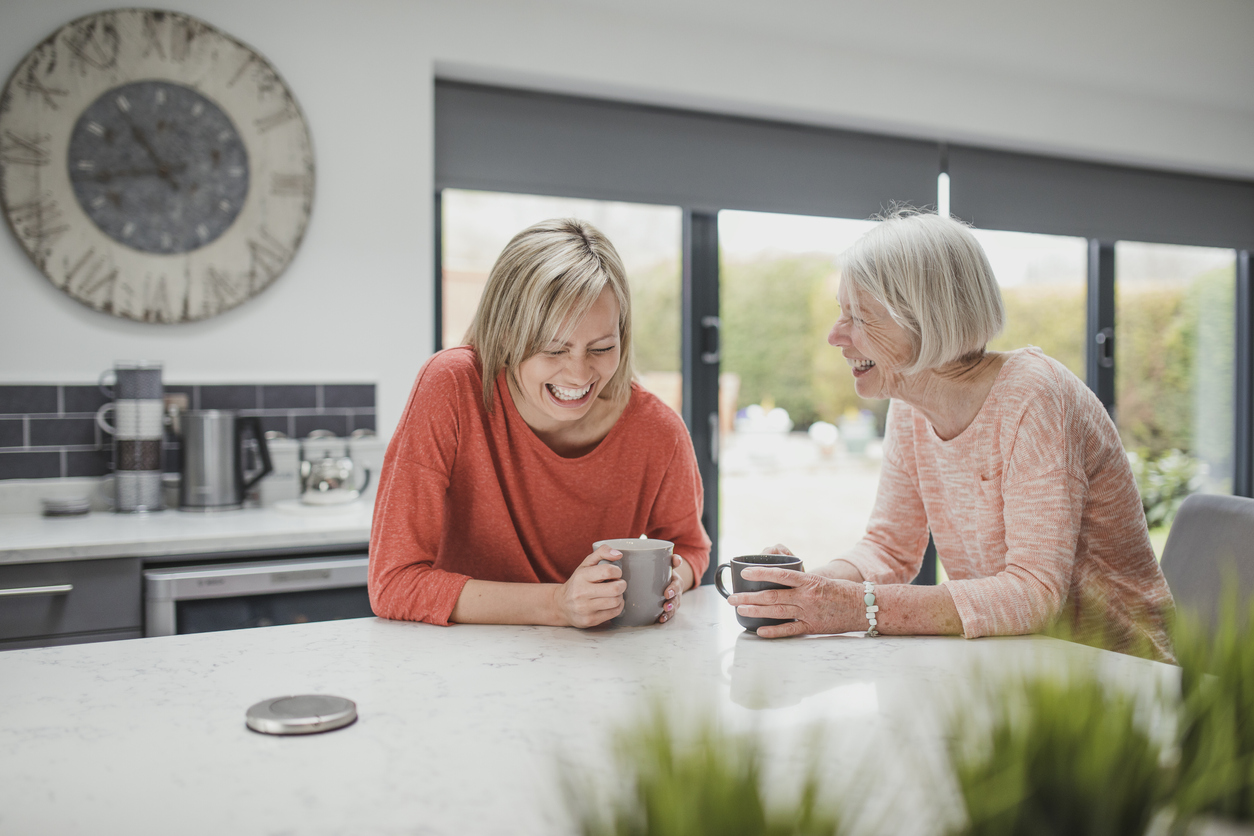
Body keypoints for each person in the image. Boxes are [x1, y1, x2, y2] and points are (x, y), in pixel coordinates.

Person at [727, 209, 1174, 661]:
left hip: (1124, 673)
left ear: (926, 318)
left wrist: (852, 609)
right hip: (1020, 664)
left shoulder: (1034, 397)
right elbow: (888, 548)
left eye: (859, 317)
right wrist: (800, 592)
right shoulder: (908, 404)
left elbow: (1034, 593)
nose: (834, 335)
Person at [369, 218, 710, 628]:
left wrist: (673, 579)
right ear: (505, 335)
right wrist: (556, 605)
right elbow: (393, 583)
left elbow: (691, 548)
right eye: (553, 350)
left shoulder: (658, 432)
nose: (579, 374)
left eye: (602, 347)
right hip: (460, 663)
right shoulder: (451, 388)